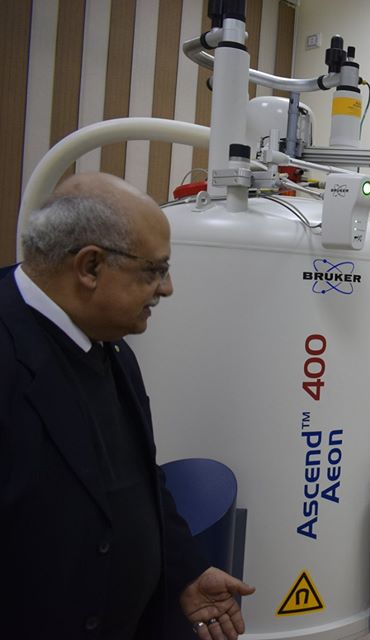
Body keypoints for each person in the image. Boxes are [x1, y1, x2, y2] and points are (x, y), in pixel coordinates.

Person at [0, 173, 255, 640]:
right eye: (154, 271)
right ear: (90, 267)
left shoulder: (111, 345)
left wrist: (185, 571)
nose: (167, 288)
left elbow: (138, 479)